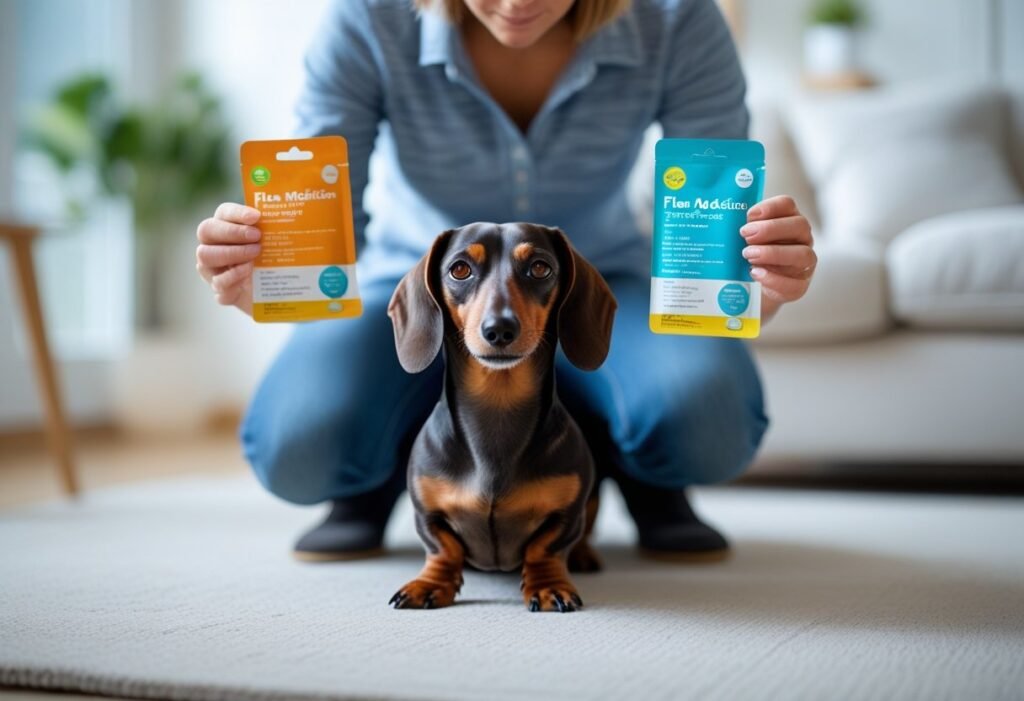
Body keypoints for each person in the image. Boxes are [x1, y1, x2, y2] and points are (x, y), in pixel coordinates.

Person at [195, 0, 816, 562]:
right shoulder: (367, 17)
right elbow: (319, 222)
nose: (518, 4)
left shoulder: (677, 17)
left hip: (601, 284)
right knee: (298, 450)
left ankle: (636, 476)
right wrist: (271, 287)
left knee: (708, 426)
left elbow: (714, 240)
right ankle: (391, 474)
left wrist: (762, 284)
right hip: (420, 286)